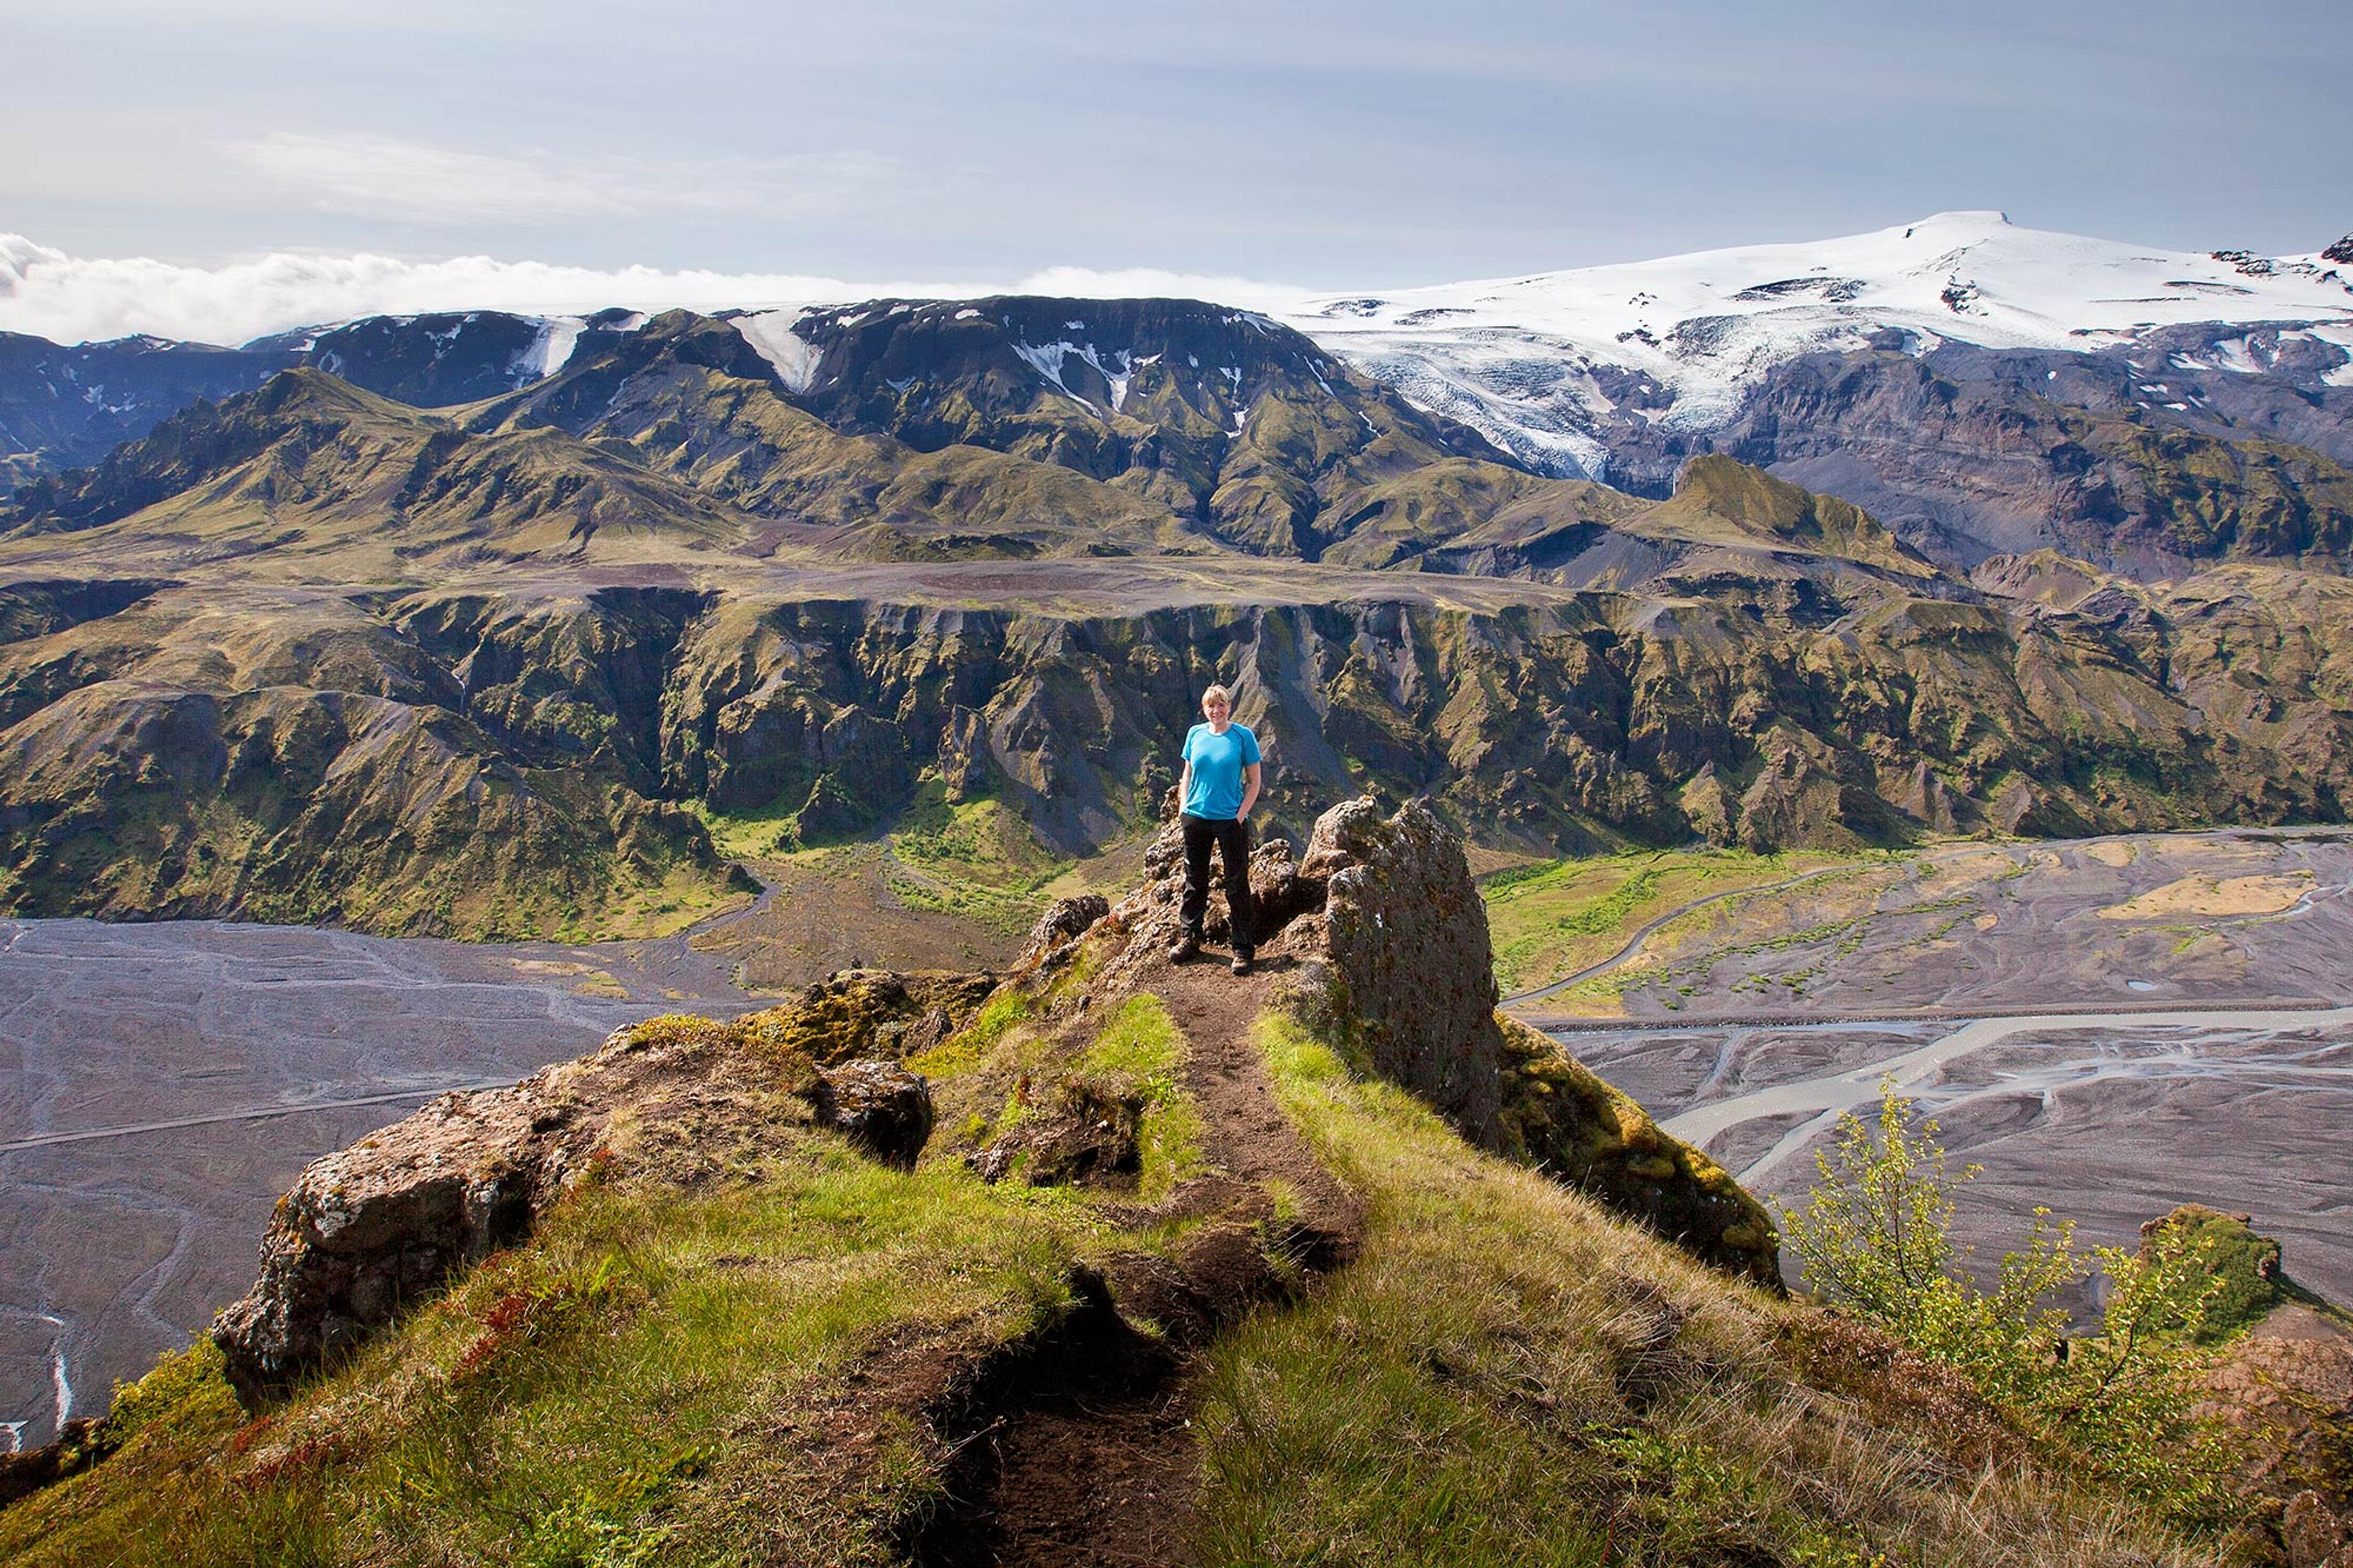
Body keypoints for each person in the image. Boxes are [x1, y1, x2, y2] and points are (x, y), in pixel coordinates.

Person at [1170, 684, 1262, 974]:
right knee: (1194, 880)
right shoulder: (1195, 734)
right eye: (1211, 706)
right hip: (1196, 818)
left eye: (1221, 705)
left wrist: (1240, 815)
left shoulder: (1243, 737)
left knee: (1236, 884)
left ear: (1229, 707)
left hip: (1229, 821)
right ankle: (1190, 938)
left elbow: (1255, 782)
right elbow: (1187, 773)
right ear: (1204, 708)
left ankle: (1243, 950)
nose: (1216, 710)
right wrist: (1184, 806)